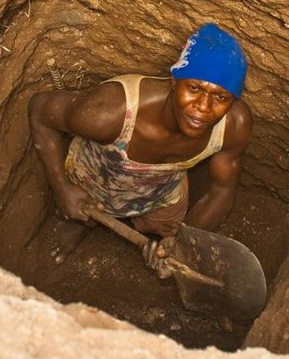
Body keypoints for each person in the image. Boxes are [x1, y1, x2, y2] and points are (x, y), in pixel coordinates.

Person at [28, 23, 253, 274]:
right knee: (84, 212)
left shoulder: (234, 126)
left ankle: (160, 237)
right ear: (174, 81)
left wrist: (180, 244)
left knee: (171, 232)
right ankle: (81, 225)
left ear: (233, 102)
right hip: (96, 179)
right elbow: (39, 110)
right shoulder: (108, 113)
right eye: (194, 88)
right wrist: (62, 189)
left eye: (220, 97)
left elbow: (221, 191)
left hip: (162, 191)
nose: (203, 106)